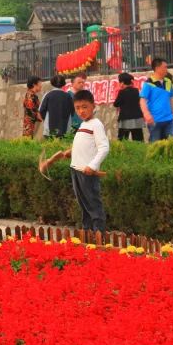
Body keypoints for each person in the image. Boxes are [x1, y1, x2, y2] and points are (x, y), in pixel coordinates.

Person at [38, 89, 109, 232]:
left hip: (87, 172)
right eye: (77, 108)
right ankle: (87, 231)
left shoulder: (96, 124)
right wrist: (71, 152)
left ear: (93, 106)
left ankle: (98, 233)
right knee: (83, 204)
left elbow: (104, 147)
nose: (81, 111)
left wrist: (93, 166)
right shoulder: (83, 125)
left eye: (85, 107)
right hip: (76, 170)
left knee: (93, 204)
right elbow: (84, 144)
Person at [140, 58, 173, 141]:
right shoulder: (148, 83)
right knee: (156, 145)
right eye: (165, 67)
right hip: (155, 120)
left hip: (169, 120)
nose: (167, 69)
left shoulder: (168, 82)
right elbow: (142, 101)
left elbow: (170, 98)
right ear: (157, 68)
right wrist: (146, 114)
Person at [112, 72, 144, 141]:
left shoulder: (122, 92)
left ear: (122, 83)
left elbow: (116, 104)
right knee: (138, 140)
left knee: (123, 140)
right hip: (137, 118)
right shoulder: (136, 91)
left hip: (125, 119)